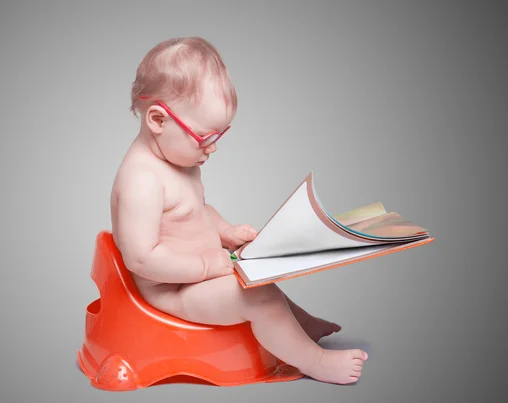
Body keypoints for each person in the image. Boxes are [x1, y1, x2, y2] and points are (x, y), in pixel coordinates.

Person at [110, 37, 368, 384]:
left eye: (220, 135)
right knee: (257, 297)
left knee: (263, 279)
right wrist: (204, 266)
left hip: (201, 277)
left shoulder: (177, 159)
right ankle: (316, 362)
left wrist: (225, 232)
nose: (213, 148)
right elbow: (141, 259)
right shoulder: (140, 180)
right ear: (158, 120)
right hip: (172, 293)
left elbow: (196, 210)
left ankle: (302, 326)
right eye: (204, 137)